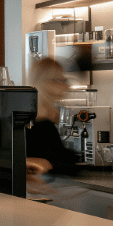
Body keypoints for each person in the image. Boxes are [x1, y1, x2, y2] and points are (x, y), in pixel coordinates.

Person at [26, 58, 87, 206]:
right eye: (60, 80)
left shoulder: (32, 116)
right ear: (47, 83)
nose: (65, 86)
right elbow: (58, 161)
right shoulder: (42, 124)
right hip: (40, 201)